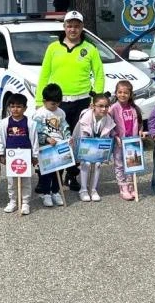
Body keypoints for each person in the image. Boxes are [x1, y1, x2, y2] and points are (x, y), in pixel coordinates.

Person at [36, 11, 104, 191]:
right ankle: (48, 178)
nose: (73, 29)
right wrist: (39, 100)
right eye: (69, 25)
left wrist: (96, 99)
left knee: (76, 142)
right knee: (51, 140)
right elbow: (44, 75)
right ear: (64, 27)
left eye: (76, 26)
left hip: (82, 101)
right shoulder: (53, 48)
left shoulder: (90, 49)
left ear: (82, 27)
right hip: (58, 103)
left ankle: (71, 175)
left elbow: (99, 75)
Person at [0, 93, 38, 215]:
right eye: (12, 106)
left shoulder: (30, 123)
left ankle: (25, 202)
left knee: (26, 180)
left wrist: (35, 156)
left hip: (26, 155)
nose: (15, 109)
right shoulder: (4, 123)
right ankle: (13, 201)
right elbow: (0, 139)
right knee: (11, 180)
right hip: (11, 156)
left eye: (18, 106)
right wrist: (1, 153)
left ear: (25, 108)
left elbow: (34, 141)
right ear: (8, 107)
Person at [72, 94, 116, 202]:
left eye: (106, 106)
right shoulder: (85, 118)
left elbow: (107, 137)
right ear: (93, 106)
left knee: (97, 164)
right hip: (84, 145)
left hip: (98, 146)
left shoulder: (108, 119)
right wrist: (86, 153)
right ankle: (83, 190)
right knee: (86, 163)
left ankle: (93, 189)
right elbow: (81, 138)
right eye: (100, 106)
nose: (104, 109)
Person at [33, 84, 70, 207]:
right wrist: (47, 138)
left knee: (59, 171)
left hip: (60, 145)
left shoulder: (61, 113)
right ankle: (45, 193)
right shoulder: (40, 114)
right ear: (44, 101)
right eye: (53, 104)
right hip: (46, 147)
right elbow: (36, 131)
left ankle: (55, 191)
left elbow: (64, 127)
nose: (56, 106)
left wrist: (68, 137)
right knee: (46, 171)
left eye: (58, 103)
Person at [108, 80, 143, 201]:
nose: (122, 95)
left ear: (130, 94)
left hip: (132, 141)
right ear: (116, 93)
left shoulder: (134, 108)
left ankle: (130, 184)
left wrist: (139, 132)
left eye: (126, 93)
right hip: (119, 142)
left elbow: (139, 123)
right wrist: (115, 135)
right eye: (120, 92)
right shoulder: (113, 108)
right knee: (119, 164)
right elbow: (108, 125)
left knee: (131, 164)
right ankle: (122, 186)